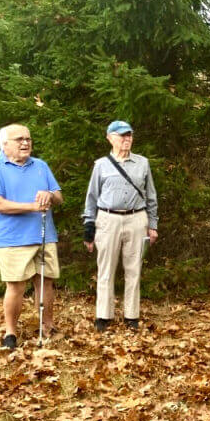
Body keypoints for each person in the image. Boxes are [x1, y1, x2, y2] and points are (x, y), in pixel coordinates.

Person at [0, 124, 64, 350]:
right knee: (15, 286)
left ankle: (47, 326)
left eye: (28, 138)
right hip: (11, 238)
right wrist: (34, 206)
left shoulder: (41, 166)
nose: (25, 143)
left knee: (45, 282)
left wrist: (49, 196)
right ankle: (11, 333)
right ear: (4, 144)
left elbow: (58, 197)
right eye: (19, 139)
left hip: (45, 234)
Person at [82, 121, 159, 332]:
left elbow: (151, 196)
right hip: (107, 220)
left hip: (136, 219)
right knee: (106, 268)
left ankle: (131, 315)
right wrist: (89, 227)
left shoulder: (143, 163)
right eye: (122, 135)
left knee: (134, 268)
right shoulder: (101, 165)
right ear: (110, 138)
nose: (126, 139)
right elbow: (92, 198)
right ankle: (103, 316)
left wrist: (152, 224)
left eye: (129, 135)